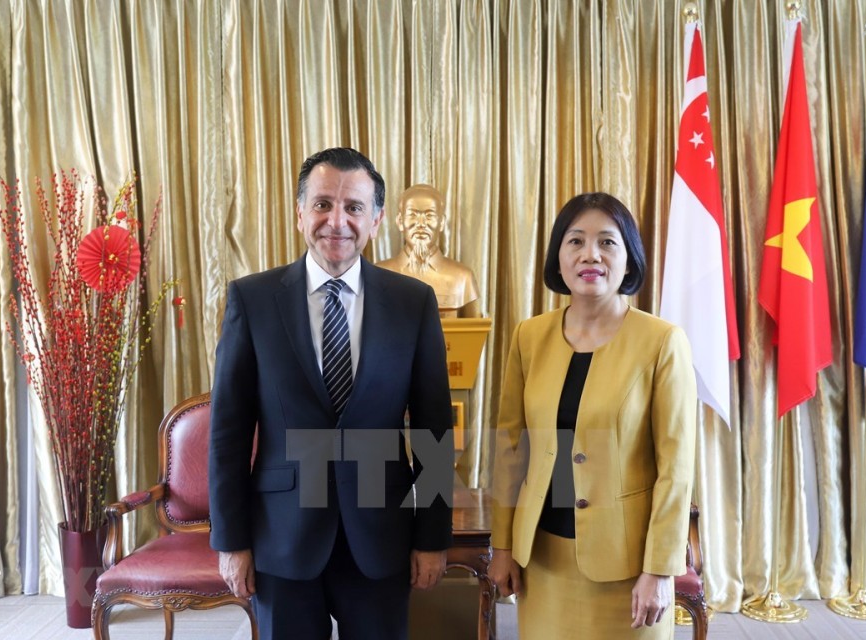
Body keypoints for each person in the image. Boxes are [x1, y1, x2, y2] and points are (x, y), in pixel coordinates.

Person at [208, 147, 455, 640]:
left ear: (377, 219)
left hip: (381, 534)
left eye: (354, 207)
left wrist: (432, 537)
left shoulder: (413, 303)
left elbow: (433, 431)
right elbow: (229, 433)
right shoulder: (252, 300)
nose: (336, 221)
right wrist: (231, 541)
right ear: (300, 212)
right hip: (282, 537)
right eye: (322, 204)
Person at [488, 192, 697, 640]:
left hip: (627, 569)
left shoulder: (662, 342)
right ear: (558, 259)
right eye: (575, 241)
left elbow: (676, 469)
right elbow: (510, 449)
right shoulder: (530, 336)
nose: (590, 255)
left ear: (628, 260)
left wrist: (660, 569)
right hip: (542, 559)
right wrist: (502, 546)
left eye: (607, 242)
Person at [376, 183, 480, 317]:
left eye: (429, 215)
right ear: (400, 221)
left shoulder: (463, 278)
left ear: (441, 222)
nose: (421, 224)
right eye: (412, 215)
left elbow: (474, 333)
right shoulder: (378, 276)